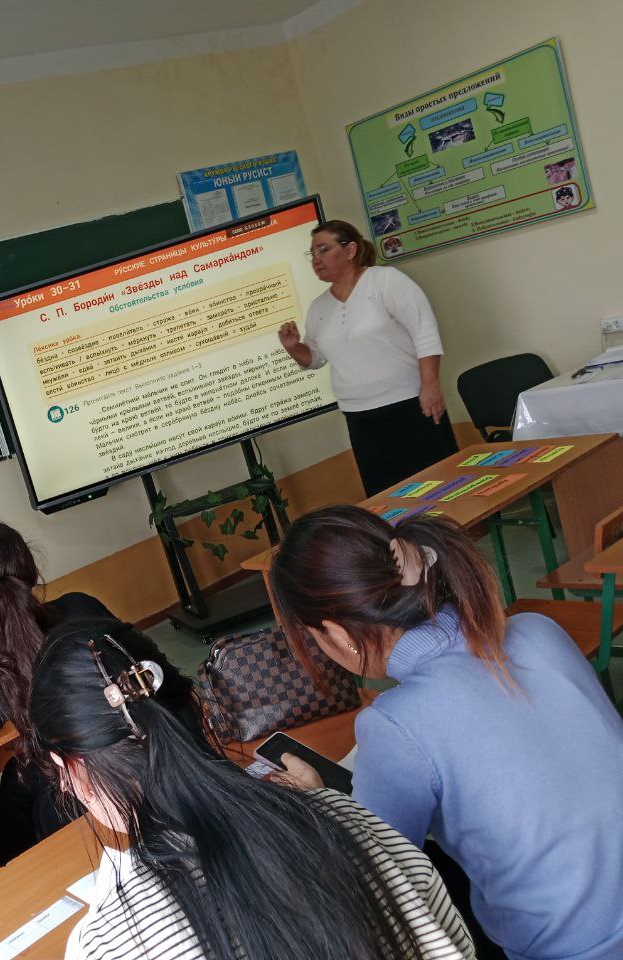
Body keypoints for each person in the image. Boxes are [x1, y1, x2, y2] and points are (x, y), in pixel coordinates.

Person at [269, 505, 623, 960]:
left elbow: (377, 881)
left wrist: (321, 803)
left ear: (337, 634)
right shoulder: (538, 630)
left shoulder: (393, 724)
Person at [30, 619, 475, 960]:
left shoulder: (107, 942)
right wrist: (316, 803)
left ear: (74, 770)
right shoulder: (345, 817)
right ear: (197, 709)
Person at [0, 522, 209, 866]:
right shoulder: (80, 605)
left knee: (28, 777)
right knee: (15, 776)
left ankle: (13, 874)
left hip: (90, 777)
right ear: (31, 570)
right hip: (145, 733)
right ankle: (8, 872)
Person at [278, 220, 457, 496]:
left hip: (411, 405)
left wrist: (430, 385)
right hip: (361, 418)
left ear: (350, 250)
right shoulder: (318, 308)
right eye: (312, 254)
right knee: (390, 500)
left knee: (441, 489)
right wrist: (293, 347)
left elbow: (424, 330)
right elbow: (316, 358)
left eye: (323, 250)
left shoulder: (385, 280)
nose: (316, 260)